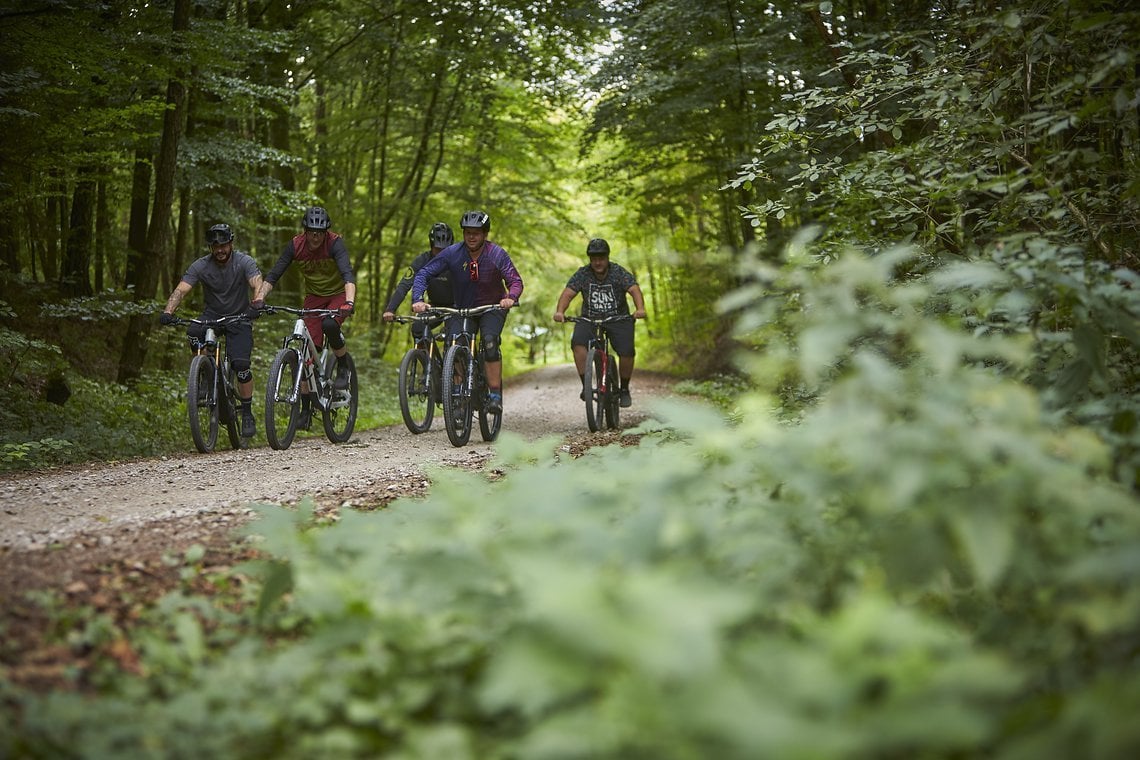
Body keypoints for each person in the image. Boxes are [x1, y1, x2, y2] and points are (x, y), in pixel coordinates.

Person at [252, 206, 356, 430]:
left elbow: (348, 274)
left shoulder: (335, 243)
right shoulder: (295, 245)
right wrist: (259, 298)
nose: (316, 236)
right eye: (311, 231)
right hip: (314, 297)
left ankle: (343, 364)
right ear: (305, 231)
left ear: (326, 231)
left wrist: (349, 302)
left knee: (329, 323)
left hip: (338, 295)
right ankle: (306, 408)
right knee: (306, 350)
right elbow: (274, 274)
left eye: (320, 232)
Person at [411, 210, 523, 413]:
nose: (471, 237)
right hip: (461, 308)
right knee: (455, 343)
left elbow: (514, 280)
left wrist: (510, 298)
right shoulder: (453, 253)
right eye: (468, 232)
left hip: (492, 307)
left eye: (476, 233)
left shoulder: (496, 254)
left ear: (485, 234)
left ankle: (495, 394)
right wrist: (418, 299)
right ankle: (457, 393)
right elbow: (424, 273)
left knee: (489, 342)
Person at [159, 223, 264, 438]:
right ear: (210, 247)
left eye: (223, 245)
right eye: (215, 246)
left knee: (241, 365)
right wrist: (168, 311)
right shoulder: (201, 266)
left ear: (231, 244)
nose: (220, 250)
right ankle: (206, 375)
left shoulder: (244, 262)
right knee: (193, 331)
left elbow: (257, 282)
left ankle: (246, 412)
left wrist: (258, 302)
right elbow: (181, 290)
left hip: (240, 318)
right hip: (212, 316)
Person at [552, 237, 647, 408]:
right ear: (590, 259)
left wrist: (640, 309)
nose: (597, 262)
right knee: (577, 344)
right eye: (594, 259)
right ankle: (586, 386)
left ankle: (624, 389)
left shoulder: (618, 272)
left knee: (627, 351)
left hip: (618, 318)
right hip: (589, 318)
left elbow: (634, 289)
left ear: (607, 257)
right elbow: (568, 293)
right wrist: (560, 311)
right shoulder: (583, 273)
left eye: (601, 258)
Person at [382, 221, 455, 339]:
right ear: (431, 245)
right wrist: (391, 309)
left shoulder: (458, 259)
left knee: (455, 337)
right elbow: (404, 285)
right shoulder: (422, 260)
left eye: (445, 250)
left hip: (457, 306)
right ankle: (425, 355)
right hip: (433, 307)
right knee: (417, 328)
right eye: (438, 249)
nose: (441, 253)